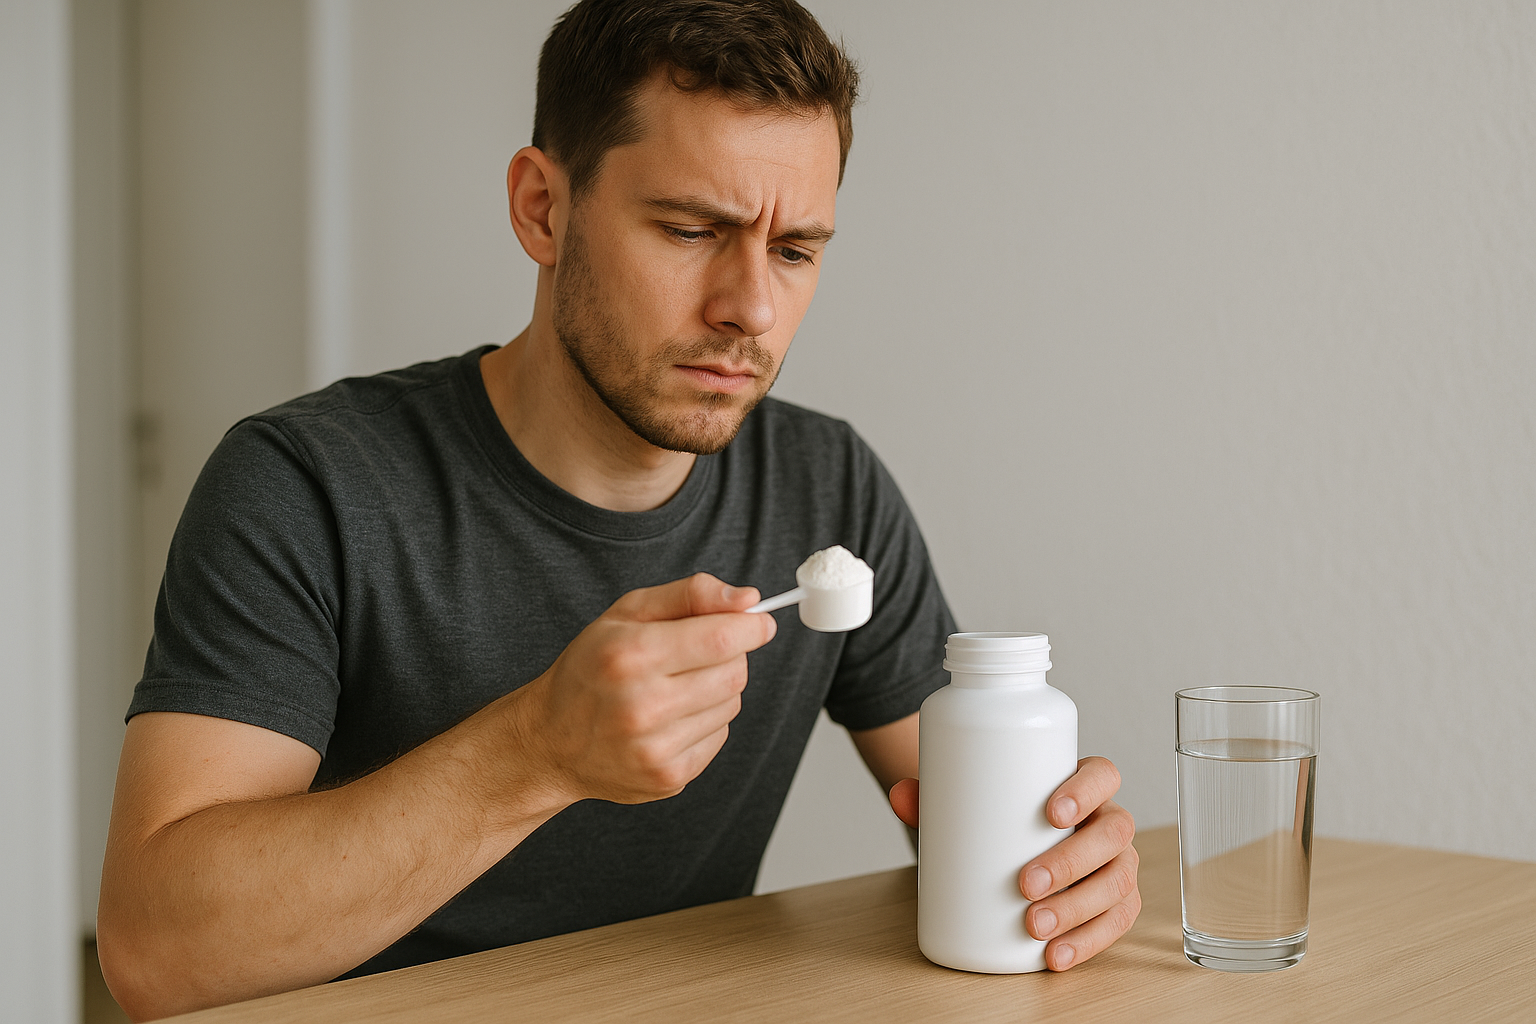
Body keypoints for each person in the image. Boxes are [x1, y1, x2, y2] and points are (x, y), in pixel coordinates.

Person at [97, 1, 1140, 1018]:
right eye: (691, 229)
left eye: (795, 250)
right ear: (542, 209)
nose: (752, 310)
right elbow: (153, 953)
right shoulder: (305, 483)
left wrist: (1065, 871)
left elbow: (980, 831)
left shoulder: (828, 486)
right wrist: (536, 748)